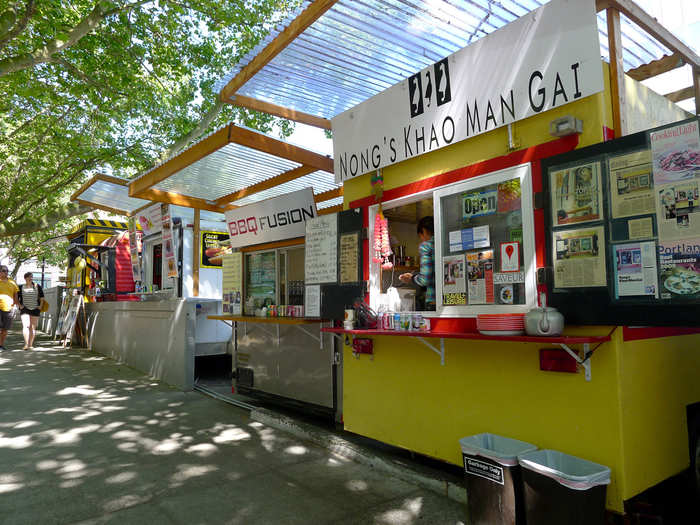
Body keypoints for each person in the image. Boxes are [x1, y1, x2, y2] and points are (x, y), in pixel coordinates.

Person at [399, 216, 435, 311]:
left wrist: (411, 278)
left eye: (420, 236)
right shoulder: (445, 243)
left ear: (423, 231)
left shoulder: (426, 246)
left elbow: (425, 280)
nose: (421, 239)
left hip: (434, 301)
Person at [18, 272, 44, 350]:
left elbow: (42, 297)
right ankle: (26, 344)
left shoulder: (37, 286)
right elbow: (16, 297)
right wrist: (20, 305)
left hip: (35, 309)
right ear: (25, 278)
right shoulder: (21, 287)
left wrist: (40, 306)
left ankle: (30, 344)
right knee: (26, 326)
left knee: (32, 328)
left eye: (32, 277)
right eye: (29, 277)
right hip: (25, 309)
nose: (31, 278)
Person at [0, 265, 19, 351]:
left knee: (5, 329)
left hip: (9, 309)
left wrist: (15, 305)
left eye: (7, 271)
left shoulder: (12, 282)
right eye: (4, 270)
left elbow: (16, 294)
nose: (6, 272)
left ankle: (1, 345)